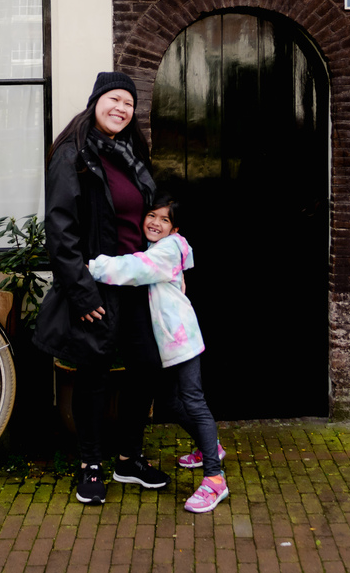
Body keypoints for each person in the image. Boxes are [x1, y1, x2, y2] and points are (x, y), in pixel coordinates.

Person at [32, 71, 170, 506]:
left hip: (135, 281)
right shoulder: (73, 155)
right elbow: (61, 230)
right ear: (95, 102)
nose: (121, 108)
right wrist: (83, 292)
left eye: (128, 103)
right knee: (93, 376)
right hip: (96, 286)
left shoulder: (131, 151)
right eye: (113, 99)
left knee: (146, 365)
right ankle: (90, 464)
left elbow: (147, 217)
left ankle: (127, 458)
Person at [87, 196, 228, 514]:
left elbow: (134, 269)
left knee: (193, 401)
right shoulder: (161, 247)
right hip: (168, 343)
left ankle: (215, 479)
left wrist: (90, 268)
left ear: (174, 228)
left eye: (164, 220)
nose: (155, 223)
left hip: (182, 339)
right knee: (169, 402)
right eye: (151, 215)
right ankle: (211, 449)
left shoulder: (168, 249)